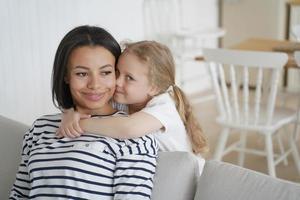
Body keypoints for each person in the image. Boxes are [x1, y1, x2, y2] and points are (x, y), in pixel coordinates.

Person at [10, 26, 158, 200]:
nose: (95, 84)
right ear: (66, 76)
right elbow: (19, 194)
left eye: (105, 72)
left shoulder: (135, 136)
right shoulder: (40, 127)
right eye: (81, 73)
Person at [57, 40, 208, 172]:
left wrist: (80, 123)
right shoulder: (126, 99)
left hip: (192, 184)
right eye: (117, 72)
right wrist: (70, 112)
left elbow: (128, 128)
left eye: (129, 78)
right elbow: (91, 106)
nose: (117, 82)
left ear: (154, 87)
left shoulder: (164, 106)